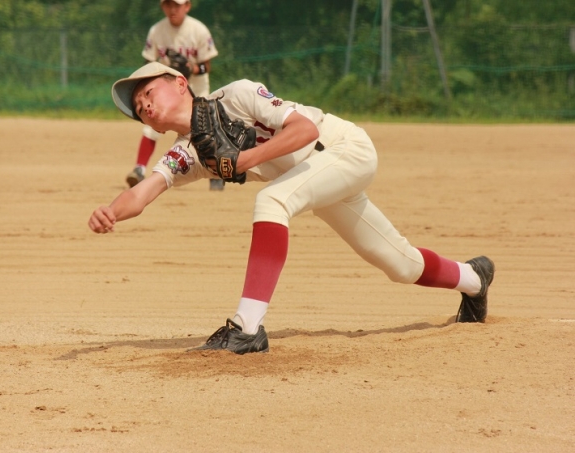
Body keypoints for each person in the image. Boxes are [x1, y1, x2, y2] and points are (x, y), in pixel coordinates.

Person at [89, 62, 495, 355]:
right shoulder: (186, 154)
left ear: (180, 83)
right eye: (138, 107)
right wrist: (110, 211)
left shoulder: (235, 95)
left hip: (343, 148)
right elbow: (143, 192)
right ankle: (474, 278)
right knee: (401, 265)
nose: (143, 105)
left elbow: (306, 129)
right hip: (318, 180)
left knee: (272, 199)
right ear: (154, 128)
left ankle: (247, 328)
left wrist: (244, 160)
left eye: (148, 92)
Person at [126, 0, 224, 191]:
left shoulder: (198, 30)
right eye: (168, 5)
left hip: (196, 87)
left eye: (177, 5)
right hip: (166, 90)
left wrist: (191, 68)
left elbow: (206, 66)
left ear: (187, 6)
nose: (172, 9)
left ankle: (218, 172)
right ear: (162, 6)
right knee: (152, 125)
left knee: (206, 128)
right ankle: (139, 169)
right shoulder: (156, 31)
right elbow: (147, 63)